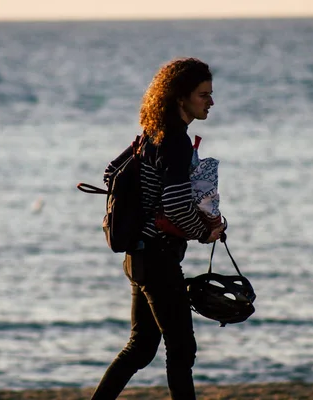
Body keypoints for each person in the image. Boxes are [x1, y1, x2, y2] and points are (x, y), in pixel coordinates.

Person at [91, 57, 225, 400]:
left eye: (210, 93)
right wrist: (204, 231)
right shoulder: (176, 142)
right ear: (180, 97)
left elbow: (111, 172)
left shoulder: (153, 133)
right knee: (182, 350)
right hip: (158, 258)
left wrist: (148, 205)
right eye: (203, 94)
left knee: (141, 347)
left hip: (140, 255)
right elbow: (179, 205)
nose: (211, 101)